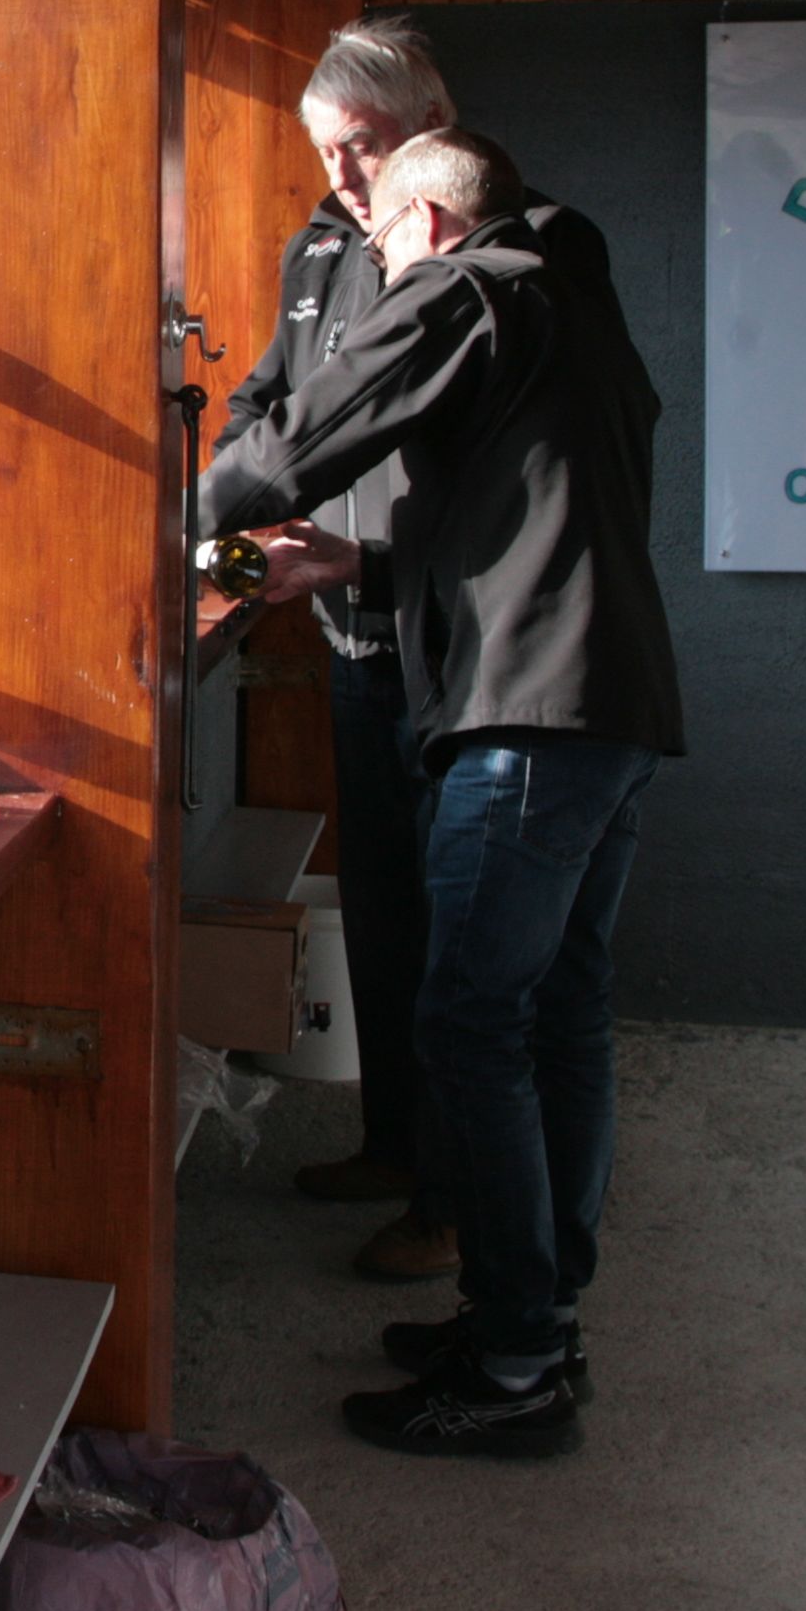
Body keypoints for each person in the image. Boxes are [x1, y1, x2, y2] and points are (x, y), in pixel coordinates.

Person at [208, 129, 679, 1463]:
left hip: (529, 723)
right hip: (608, 708)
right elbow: (518, 524)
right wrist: (348, 573)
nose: (370, 269)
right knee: (557, 1011)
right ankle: (536, 1315)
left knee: (472, 1019)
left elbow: (306, 434)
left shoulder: (473, 286)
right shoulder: (569, 301)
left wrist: (164, 516)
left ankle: (516, 1353)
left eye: (378, 244)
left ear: (424, 219)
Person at [217, 19, 460, 1283]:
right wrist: (231, 467)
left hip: (454, 646)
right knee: (380, 908)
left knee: (456, 936)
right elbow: (273, 397)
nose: (345, 179)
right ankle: (393, 1140)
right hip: (347, 636)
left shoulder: (462, 256)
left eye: (362, 149)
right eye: (327, 153)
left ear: (428, 126)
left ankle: (450, 1194)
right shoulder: (316, 244)